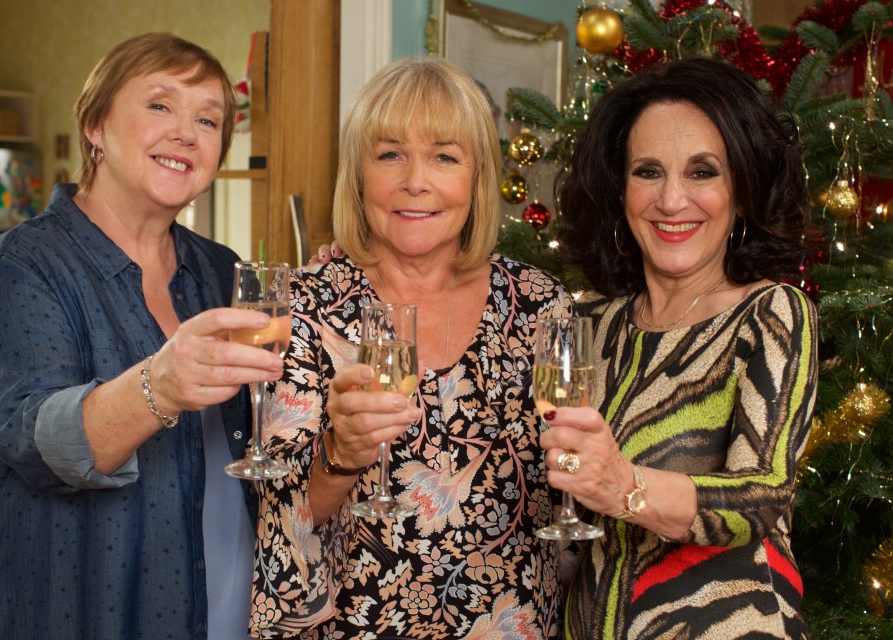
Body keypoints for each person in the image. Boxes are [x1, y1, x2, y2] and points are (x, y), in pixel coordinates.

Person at [0, 33, 283, 639]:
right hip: (61, 612)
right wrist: (163, 384)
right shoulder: (23, 267)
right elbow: (37, 443)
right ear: (97, 124)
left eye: (208, 119)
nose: (185, 132)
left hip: (214, 609)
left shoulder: (220, 270)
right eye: (159, 105)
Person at [246, 56, 573, 638]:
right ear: (359, 175)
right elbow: (283, 523)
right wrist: (341, 452)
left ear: (477, 178)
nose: (414, 181)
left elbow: (572, 494)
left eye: (444, 156)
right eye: (390, 154)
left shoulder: (539, 305)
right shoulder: (307, 307)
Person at [544, 57, 819, 638]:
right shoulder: (588, 321)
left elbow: (760, 497)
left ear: (741, 192)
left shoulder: (769, 313)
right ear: (619, 192)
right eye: (648, 171)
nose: (671, 200)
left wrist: (624, 487)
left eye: (702, 172)